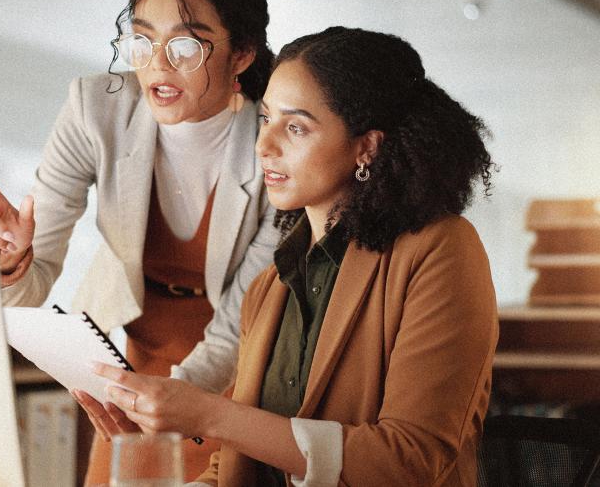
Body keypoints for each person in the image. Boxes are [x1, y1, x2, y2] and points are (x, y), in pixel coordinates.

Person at [86, 26, 499, 486]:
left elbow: (407, 462)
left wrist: (209, 415)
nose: (264, 145)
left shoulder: (441, 250)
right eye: (265, 119)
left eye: (296, 126)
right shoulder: (269, 285)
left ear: (367, 146)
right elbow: (236, 465)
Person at [0, 0, 278, 482]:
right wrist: (13, 260)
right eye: (142, 41)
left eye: (186, 46)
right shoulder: (94, 109)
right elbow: (31, 285)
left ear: (242, 54)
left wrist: (167, 404)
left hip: (246, 365)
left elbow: (238, 324)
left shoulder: (272, 140)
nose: (157, 66)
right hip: (135, 356)